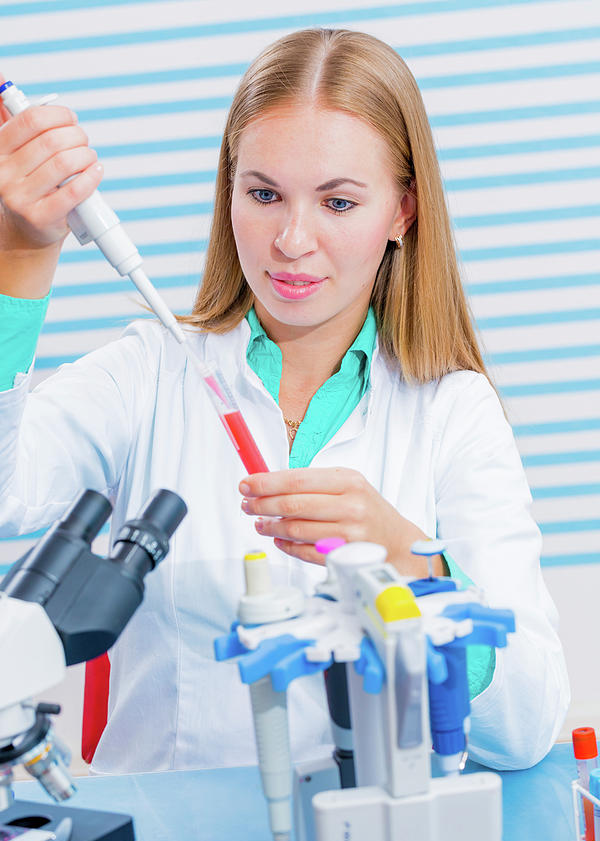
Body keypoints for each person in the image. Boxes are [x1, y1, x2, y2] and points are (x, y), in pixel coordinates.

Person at [0, 28, 569, 775]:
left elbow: (525, 725)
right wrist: (20, 254)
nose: (292, 240)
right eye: (264, 194)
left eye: (337, 201)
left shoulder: (452, 411)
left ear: (402, 213)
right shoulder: (148, 373)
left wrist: (415, 564)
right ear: (229, 188)